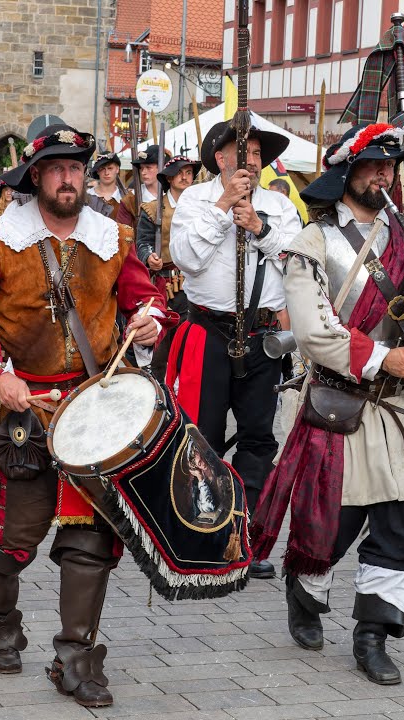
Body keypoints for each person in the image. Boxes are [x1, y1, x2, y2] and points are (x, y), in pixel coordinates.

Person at [249, 123, 404, 686]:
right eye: (372, 166)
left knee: (397, 527)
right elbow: (313, 332)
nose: (383, 175)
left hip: (400, 411)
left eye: (390, 167)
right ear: (346, 174)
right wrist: (383, 357)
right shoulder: (311, 242)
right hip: (336, 404)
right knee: (331, 529)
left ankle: (373, 635)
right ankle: (304, 589)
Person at [0, 123, 176, 708]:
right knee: (15, 536)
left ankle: (76, 659)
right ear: (36, 176)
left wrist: (149, 322)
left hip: (96, 409)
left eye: (77, 168)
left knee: (90, 539)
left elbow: (149, 303)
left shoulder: (114, 239)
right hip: (26, 409)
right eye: (56, 168)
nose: (68, 178)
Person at [167, 116, 301, 580]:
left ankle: (246, 534)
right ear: (221, 159)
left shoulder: (279, 207)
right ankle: (200, 530)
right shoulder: (195, 200)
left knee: (259, 438)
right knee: (199, 435)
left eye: (258, 155)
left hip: (262, 338)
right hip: (209, 331)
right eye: (243, 154)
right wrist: (224, 207)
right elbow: (186, 258)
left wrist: (260, 228)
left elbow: (298, 263)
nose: (252, 163)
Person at [136, 154, 202, 380]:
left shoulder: (203, 208)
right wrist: (149, 256)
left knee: (190, 343)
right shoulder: (153, 209)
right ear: (170, 178)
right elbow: (141, 242)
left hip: (195, 281)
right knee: (162, 346)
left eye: (189, 173)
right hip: (164, 282)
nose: (185, 177)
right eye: (180, 173)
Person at [118, 144, 161, 225]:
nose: (143, 172)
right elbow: (123, 232)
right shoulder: (130, 200)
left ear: (161, 167)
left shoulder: (172, 194)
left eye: (148, 168)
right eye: (141, 168)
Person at [86, 151, 124, 219]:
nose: (106, 173)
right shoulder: (86, 197)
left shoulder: (125, 197)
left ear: (117, 169)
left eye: (110, 168)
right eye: (102, 169)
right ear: (98, 171)